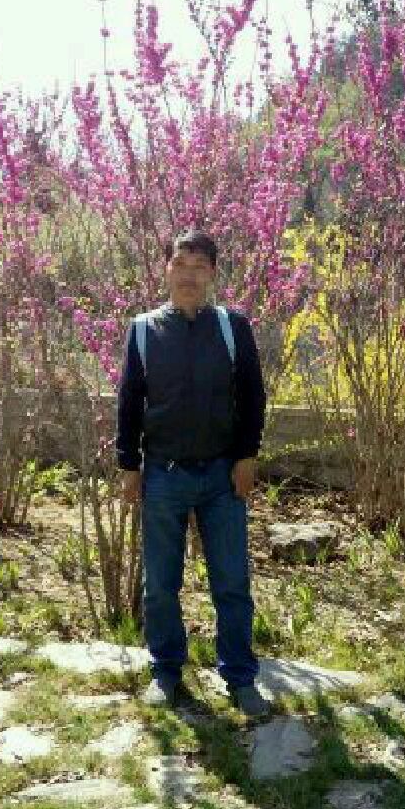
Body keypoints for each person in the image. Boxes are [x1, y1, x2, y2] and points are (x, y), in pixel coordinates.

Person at [116, 228, 270, 717]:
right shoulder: (144, 330)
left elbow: (252, 395)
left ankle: (240, 677)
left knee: (232, 583)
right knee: (161, 585)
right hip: (164, 476)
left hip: (223, 477)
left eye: (199, 266)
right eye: (180, 264)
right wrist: (129, 465)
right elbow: (129, 402)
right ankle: (165, 671)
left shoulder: (231, 327)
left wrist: (247, 457)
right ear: (166, 270)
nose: (189, 275)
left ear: (213, 274)